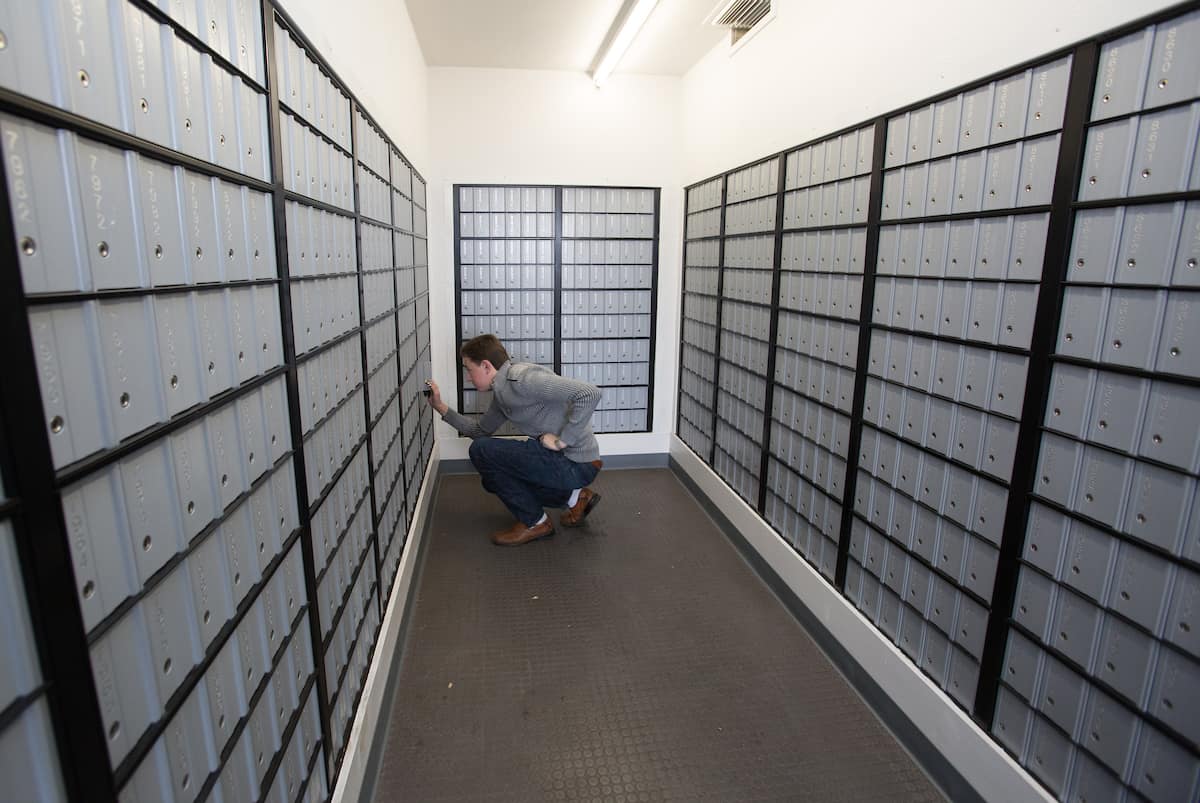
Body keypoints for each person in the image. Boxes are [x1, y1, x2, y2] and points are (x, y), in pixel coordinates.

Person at [425, 334, 604, 546]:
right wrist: (440, 407)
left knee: (482, 451)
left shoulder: (521, 379)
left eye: (468, 369)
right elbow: (479, 431)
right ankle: (575, 498)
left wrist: (561, 441)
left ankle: (535, 522)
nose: (468, 377)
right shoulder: (502, 394)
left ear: (485, 366)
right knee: (491, 477)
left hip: (577, 463)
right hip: (563, 463)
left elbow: (589, 393)